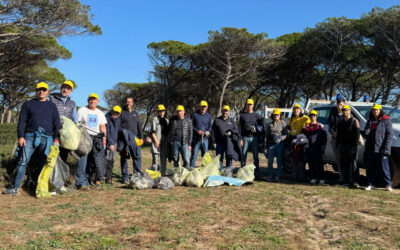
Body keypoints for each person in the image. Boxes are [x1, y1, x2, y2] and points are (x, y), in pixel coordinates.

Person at [3, 82, 60, 195]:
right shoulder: (28, 104)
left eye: (44, 90)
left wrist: (54, 138)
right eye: (39, 89)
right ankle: (15, 188)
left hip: (47, 138)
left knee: (43, 163)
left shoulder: (52, 106)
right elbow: (21, 122)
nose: (41, 92)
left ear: (47, 92)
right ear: (36, 91)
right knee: (23, 162)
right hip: (29, 136)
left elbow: (56, 123)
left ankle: (39, 188)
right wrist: (21, 136)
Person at [75, 93, 107, 190]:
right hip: (85, 138)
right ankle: (81, 182)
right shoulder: (82, 110)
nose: (92, 101)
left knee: (94, 161)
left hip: (97, 138)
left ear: (97, 101)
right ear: (88, 100)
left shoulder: (100, 113)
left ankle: (88, 180)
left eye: (94, 99)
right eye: (90, 99)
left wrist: (104, 141)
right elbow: (77, 124)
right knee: (83, 160)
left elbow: (102, 127)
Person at [364, 104, 394, 191]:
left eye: (377, 110)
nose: (375, 112)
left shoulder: (386, 120)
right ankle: (371, 184)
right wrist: (366, 131)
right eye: (373, 110)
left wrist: (386, 148)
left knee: (384, 167)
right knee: (370, 167)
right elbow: (366, 134)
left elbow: (389, 135)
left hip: (382, 148)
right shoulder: (370, 121)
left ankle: (388, 185)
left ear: (380, 110)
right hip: (370, 147)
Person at [119, 96, 143, 184]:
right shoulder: (121, 112)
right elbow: (118, 126)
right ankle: (125, 177)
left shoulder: (135, 113)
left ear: (132, 103)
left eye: (130, 102)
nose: (128, 103)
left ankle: (136, 175)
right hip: (124, 139)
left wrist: (141, 137)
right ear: (125, 102)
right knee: (124, 158)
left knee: (136, 157)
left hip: (134, 139)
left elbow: (139, 126)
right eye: (127, 101)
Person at [336, 104, 360, 187]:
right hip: (343, 146)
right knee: (344, 164)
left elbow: (357, 134)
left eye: (347, 110)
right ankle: (345, 181)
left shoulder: (354, 120)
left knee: (353, 164)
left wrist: (355, 146)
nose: (345, 112)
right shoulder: (341, 121)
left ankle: (355, 181)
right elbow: (338, 134)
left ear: (350, 111)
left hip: (352, 146)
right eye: (344, 110)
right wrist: (338, 144)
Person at [240, 99, 264, 176]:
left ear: (253, 105)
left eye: (250, 104)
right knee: (244, 155)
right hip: (245, 138)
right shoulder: (242, 115)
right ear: (246, 105)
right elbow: (239, 128)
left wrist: (256, 129)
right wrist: (240, 139)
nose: (249, 106)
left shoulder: (257, 115)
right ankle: (242, 171)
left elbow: (261, 128)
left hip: (254, 138)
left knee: (255, 156)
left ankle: (256, 172)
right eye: (248, 104)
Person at [303, 110, 327, 184]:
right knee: (311, 163)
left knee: (319, 163)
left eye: (314, 115)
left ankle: (321, 178)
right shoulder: (306, 127)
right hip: (310, 148)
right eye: (311, 115)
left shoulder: (320, 126)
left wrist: (323, 147)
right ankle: (313, 177)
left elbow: (324, 138)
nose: (312, 117)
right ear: (309, 117)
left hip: (318, 148)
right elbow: (303, 137)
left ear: (316, 117)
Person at [287, 104, 310, 181]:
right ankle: (294, 176)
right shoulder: (291, 119)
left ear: (300, 110)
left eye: (298, 109)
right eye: (294, 109)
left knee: (301, 160)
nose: (296, 110)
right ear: (293, 110)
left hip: (301, 141)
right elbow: (289, 127)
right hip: (293, 141)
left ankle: (301, 177)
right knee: (293, 159)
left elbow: (309, 125)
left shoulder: (305, 118)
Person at [265, 108, 287, 182]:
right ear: (272, 116)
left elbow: (286, 134)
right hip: (271, 144)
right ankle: (270, 175)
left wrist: (281, 139)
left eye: (277, 114)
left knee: (279, 160)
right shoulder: (269, 124)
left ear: (280, 115)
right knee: (270, 160)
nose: (276, 116)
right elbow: (267, 135)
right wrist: (266, 145)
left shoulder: (283, 123)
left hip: (280, 144)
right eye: (274, 115)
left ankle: (278, 176)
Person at [327, 94, 345, 182]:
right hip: (335, 139)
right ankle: (341, 177)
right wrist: (334, 133)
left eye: (341, 104)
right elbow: (330, 126)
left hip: (344, 140)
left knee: (345, 159)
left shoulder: (347, 113)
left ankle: (348, 177)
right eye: (338, 104)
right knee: (338, 159)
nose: (339, 106)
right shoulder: (333, 113)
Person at [190, 101, 212, 167]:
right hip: (196, 139)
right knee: (194, 156)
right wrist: (197, 131)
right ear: (199, 107)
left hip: (205, 139)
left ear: (207, 107)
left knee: (205, 156)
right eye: (202, 106)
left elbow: (210, 126)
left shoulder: (208, 116)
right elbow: (190, 125)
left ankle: (204, 170)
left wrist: (208, 131)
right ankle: (191, 170)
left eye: (204, 106)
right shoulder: (194, 115)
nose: (203, 108)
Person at [105, 105, 121, 184]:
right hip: (108, 143)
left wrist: (117, 144)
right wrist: (110, 144)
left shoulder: (118, 120)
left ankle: (108, 178)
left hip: (114, 143)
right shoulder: (107, 119)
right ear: (111, 111)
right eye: (114, 112)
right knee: (106, 160)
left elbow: (118, 132)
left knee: (111, 160)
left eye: (117, 113)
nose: (115, 114)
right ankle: (102, 177)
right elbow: (107, 132)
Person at [150, 104, 169, 175]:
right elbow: (152, 132)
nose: (162, 112)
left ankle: (162, 175)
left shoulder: (167, 121)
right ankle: (154, 174)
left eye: (163, 111)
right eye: (160, 111)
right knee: (155, 161)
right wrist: (156, 141)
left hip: (164, 143)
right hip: (156, 143)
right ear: (157, 111)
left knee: (163, 161)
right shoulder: (155, 119)